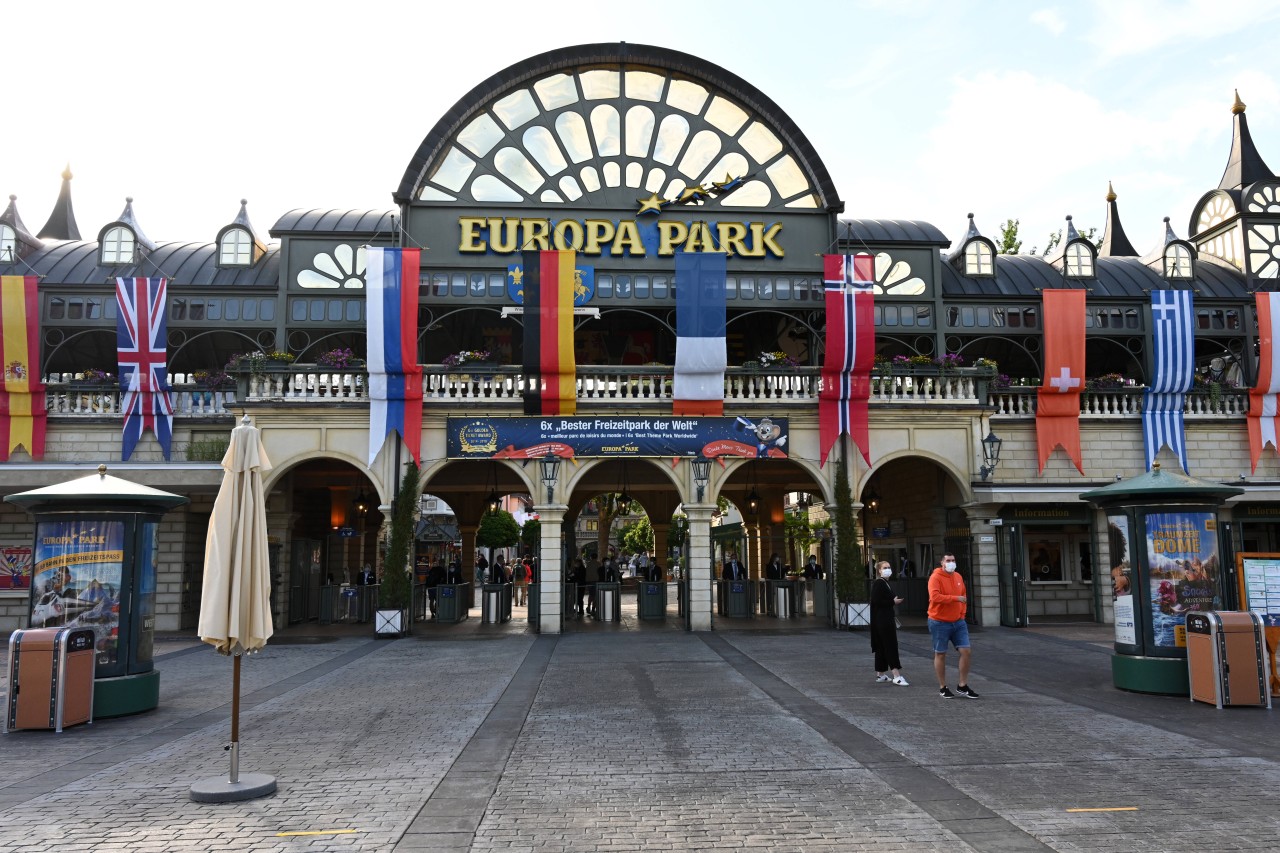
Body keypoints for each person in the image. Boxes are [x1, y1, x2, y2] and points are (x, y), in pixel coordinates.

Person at [927, 552, 978, 699]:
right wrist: (955, 599)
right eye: (948, 560)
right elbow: (935, 597)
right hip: (939, 621)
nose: (951, 563)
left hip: (958, 622)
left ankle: (962, 685)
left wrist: (962, 615)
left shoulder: (958, 577)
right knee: (940, 653)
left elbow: (964, 597)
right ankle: (943, 687)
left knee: (966, 651)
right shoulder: (935, 577)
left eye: (953, 560)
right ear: (941, 563)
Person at [870, 561, 908, 685]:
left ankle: (880, 674)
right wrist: (893, 602)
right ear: (879, 570)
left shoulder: (885, 583)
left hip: (884, 619)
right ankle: (896, 675)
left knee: (881, 646)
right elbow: (876, 601)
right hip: (883, 620)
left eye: (889, 567)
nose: (888, 569)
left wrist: (892, 601)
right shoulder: (879, 583)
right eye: (885, 568)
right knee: (890, 645)